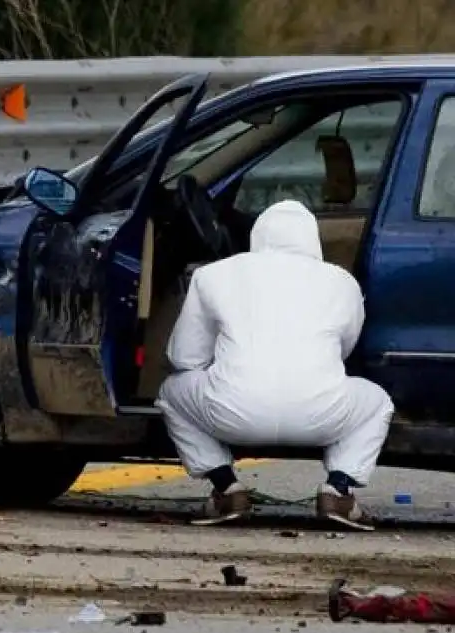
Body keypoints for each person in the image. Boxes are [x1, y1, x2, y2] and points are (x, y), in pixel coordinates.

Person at [155, 199, 394, 530]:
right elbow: (344, 349)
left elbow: (184, 358)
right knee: (377, 402)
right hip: (321, 415)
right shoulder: (342, 282)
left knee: (171, 391)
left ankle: (226, 488)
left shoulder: (212, 275)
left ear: (257, 235)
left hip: (231, 414)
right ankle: (338, 490)